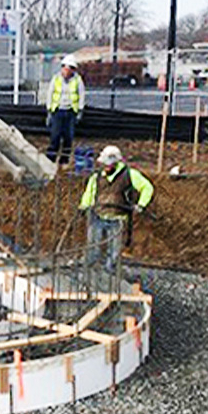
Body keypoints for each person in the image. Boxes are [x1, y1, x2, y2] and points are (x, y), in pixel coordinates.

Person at [78, 145, 154, 273]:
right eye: (105, 164)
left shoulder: (129, 175)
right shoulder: (96, 177)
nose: (106, 167)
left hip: (118, 218)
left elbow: (147, 187)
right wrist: (84, 205)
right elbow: (89, 193)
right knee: (93, 244)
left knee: (114, 248)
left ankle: (111, 268)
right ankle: (90, 266)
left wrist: (141, 204)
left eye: (109, 165)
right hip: (98, 215)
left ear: (116, 162)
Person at [45, 55, 85, 160]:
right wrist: (49, 110)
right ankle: (50, 158)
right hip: (58, 111)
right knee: (55, 136)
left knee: (68, 138)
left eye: (70, 68)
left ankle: (64, 160)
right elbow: (50, 93)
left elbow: (81, 95)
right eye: (66, 68)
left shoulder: (77, 80)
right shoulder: (56, 79)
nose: (67, 71)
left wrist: (80, 110)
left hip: (70, 112)